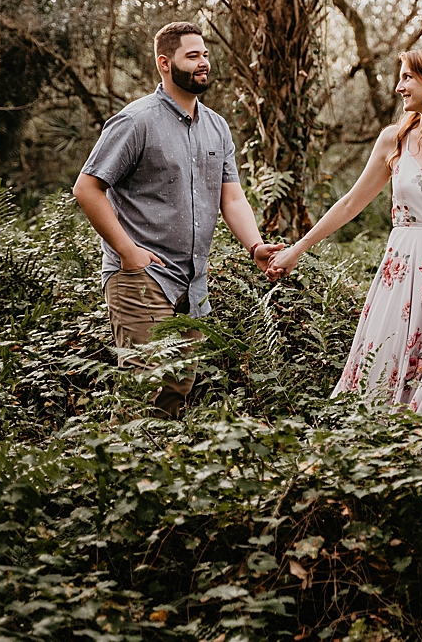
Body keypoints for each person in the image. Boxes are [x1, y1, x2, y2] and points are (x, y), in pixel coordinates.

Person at [265, 47, 422, 412]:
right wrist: (297, 249)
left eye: (407, 77)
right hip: (404, 268)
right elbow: (349, 204)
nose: (399, 87)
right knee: (387, 357)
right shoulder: (394, 140)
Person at [73, 22, 284, 418]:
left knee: (176, 387)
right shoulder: (136, 121)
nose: (204, 63)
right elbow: (87, 188)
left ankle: (158, 476)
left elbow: (232, 196)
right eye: (193, 56)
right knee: (145, 387)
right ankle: (122, 472)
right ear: (165, 64)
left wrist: (255, 245)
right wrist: (127, 252)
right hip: (141, 277)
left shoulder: (218, 127)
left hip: (192, 281)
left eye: (205, 54)